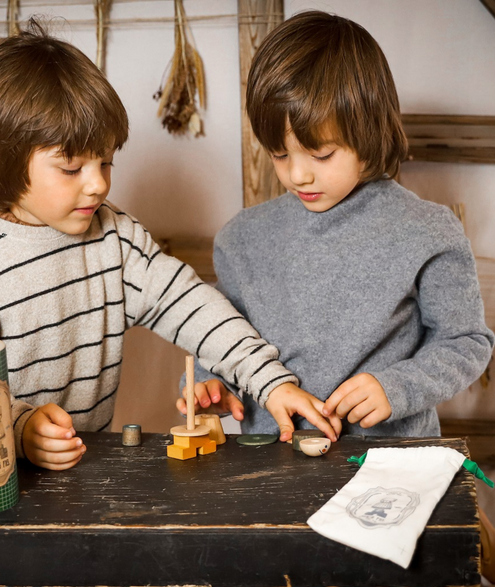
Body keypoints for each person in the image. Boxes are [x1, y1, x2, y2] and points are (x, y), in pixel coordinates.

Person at [0, 20, 341, 506]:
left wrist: (270, 381)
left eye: (106, 162)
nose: (97, 184)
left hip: (63, 480)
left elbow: (191, 305)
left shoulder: (114, 236)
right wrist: (20, 426)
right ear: (2, 158)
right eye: (72, 168)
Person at [177, 10, 494, 444]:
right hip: (271, 466)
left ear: (368, 131)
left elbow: (466, 341)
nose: (298, 175)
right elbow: (219, 335)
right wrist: (210, 378)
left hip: (391, 465)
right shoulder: (242, 238)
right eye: (279, 154)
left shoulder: (427, 230)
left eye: (320, 154)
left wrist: (395, 387)